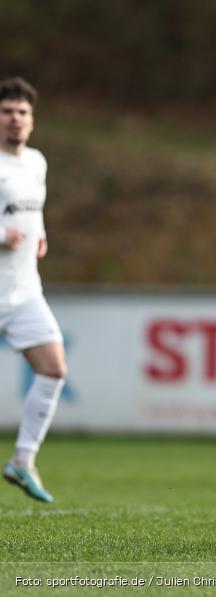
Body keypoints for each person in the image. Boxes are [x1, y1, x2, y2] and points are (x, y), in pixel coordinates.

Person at [0, 77, 67, 503]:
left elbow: (32, 209)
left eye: (22, 112)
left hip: (24, 291)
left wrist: (39, 233)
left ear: (32, 119)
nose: (15, 119)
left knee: (54, 368)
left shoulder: (37, 162)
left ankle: (23, 460)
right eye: (7, 111)